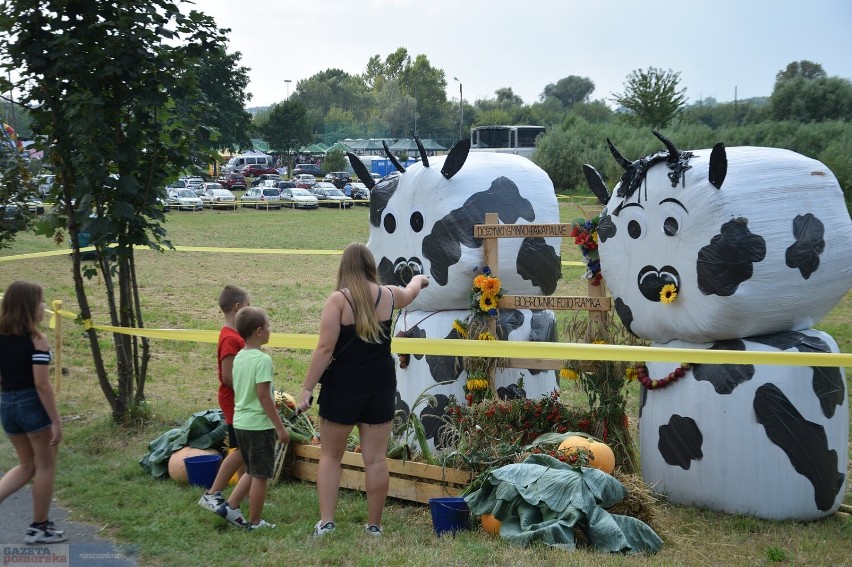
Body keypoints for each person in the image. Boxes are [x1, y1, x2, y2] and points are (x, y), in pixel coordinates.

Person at [297, 242, 429, 537]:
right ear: (371, 266)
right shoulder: (389, 295)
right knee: (376, 460)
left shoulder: (338, 301)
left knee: (331, 456)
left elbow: (324, 348)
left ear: (344, 268)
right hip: (380, 386)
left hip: (341, 388)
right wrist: (419, 279)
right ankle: (374, 526)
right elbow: (411, 292)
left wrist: (307, 389)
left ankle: (328, 522)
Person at [0, 281, 65, 544]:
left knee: (26, 465)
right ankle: (39, 526)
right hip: (31, 405)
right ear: (28, 306)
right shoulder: (37, 339)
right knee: (45, 465)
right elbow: (41, 384)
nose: (44, 306)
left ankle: (40, 524)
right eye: (40, 302)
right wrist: (56, 421)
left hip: (6, 404)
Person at [215, 306, 289, 530]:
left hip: (240, 423)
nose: (270, 330)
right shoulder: (262, 360)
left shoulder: (239, 358)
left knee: (252, 469)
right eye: (268, 326)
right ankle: (255, 522)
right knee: (261, 475)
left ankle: (231, 506)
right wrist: (280, 427)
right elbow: (264, 396)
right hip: (259, 426)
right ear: (258, 331)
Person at [198, 285, 250, 512]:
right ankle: (212, 494)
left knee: (243, 448)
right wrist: (252, 390)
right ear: (238, 308)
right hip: (236, 401)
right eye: (248, 307)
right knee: (241, 450)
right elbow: (228, 376)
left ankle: (244, 493)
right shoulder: (230, 339)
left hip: (242, 400)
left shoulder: (235, 335)